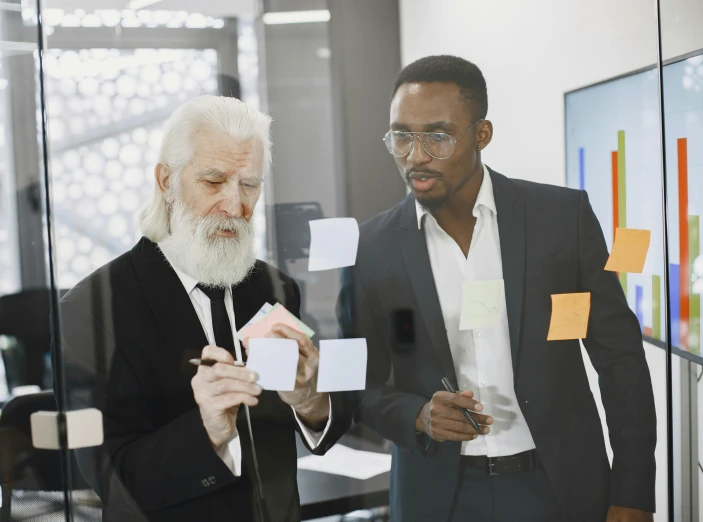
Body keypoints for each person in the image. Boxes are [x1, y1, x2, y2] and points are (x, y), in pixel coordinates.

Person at [337, 55, 656, 522]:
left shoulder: (561, 219)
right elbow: (355, 385)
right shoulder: (370, 247)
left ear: (482, 135)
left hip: (559, 487)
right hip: (436, 498)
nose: (415, 155)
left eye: (438, 136)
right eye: (402, 136)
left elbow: (620, 359)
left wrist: (633, 491)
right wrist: (418, 415)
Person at [58, 95, 352, 522]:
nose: (235, 207)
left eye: (249, 184)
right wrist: (207, 431)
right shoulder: (91, 310)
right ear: (166, 181)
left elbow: (312, 427)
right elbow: (110, 479)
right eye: (214, 181)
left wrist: (309, 398)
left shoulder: (276, 287)